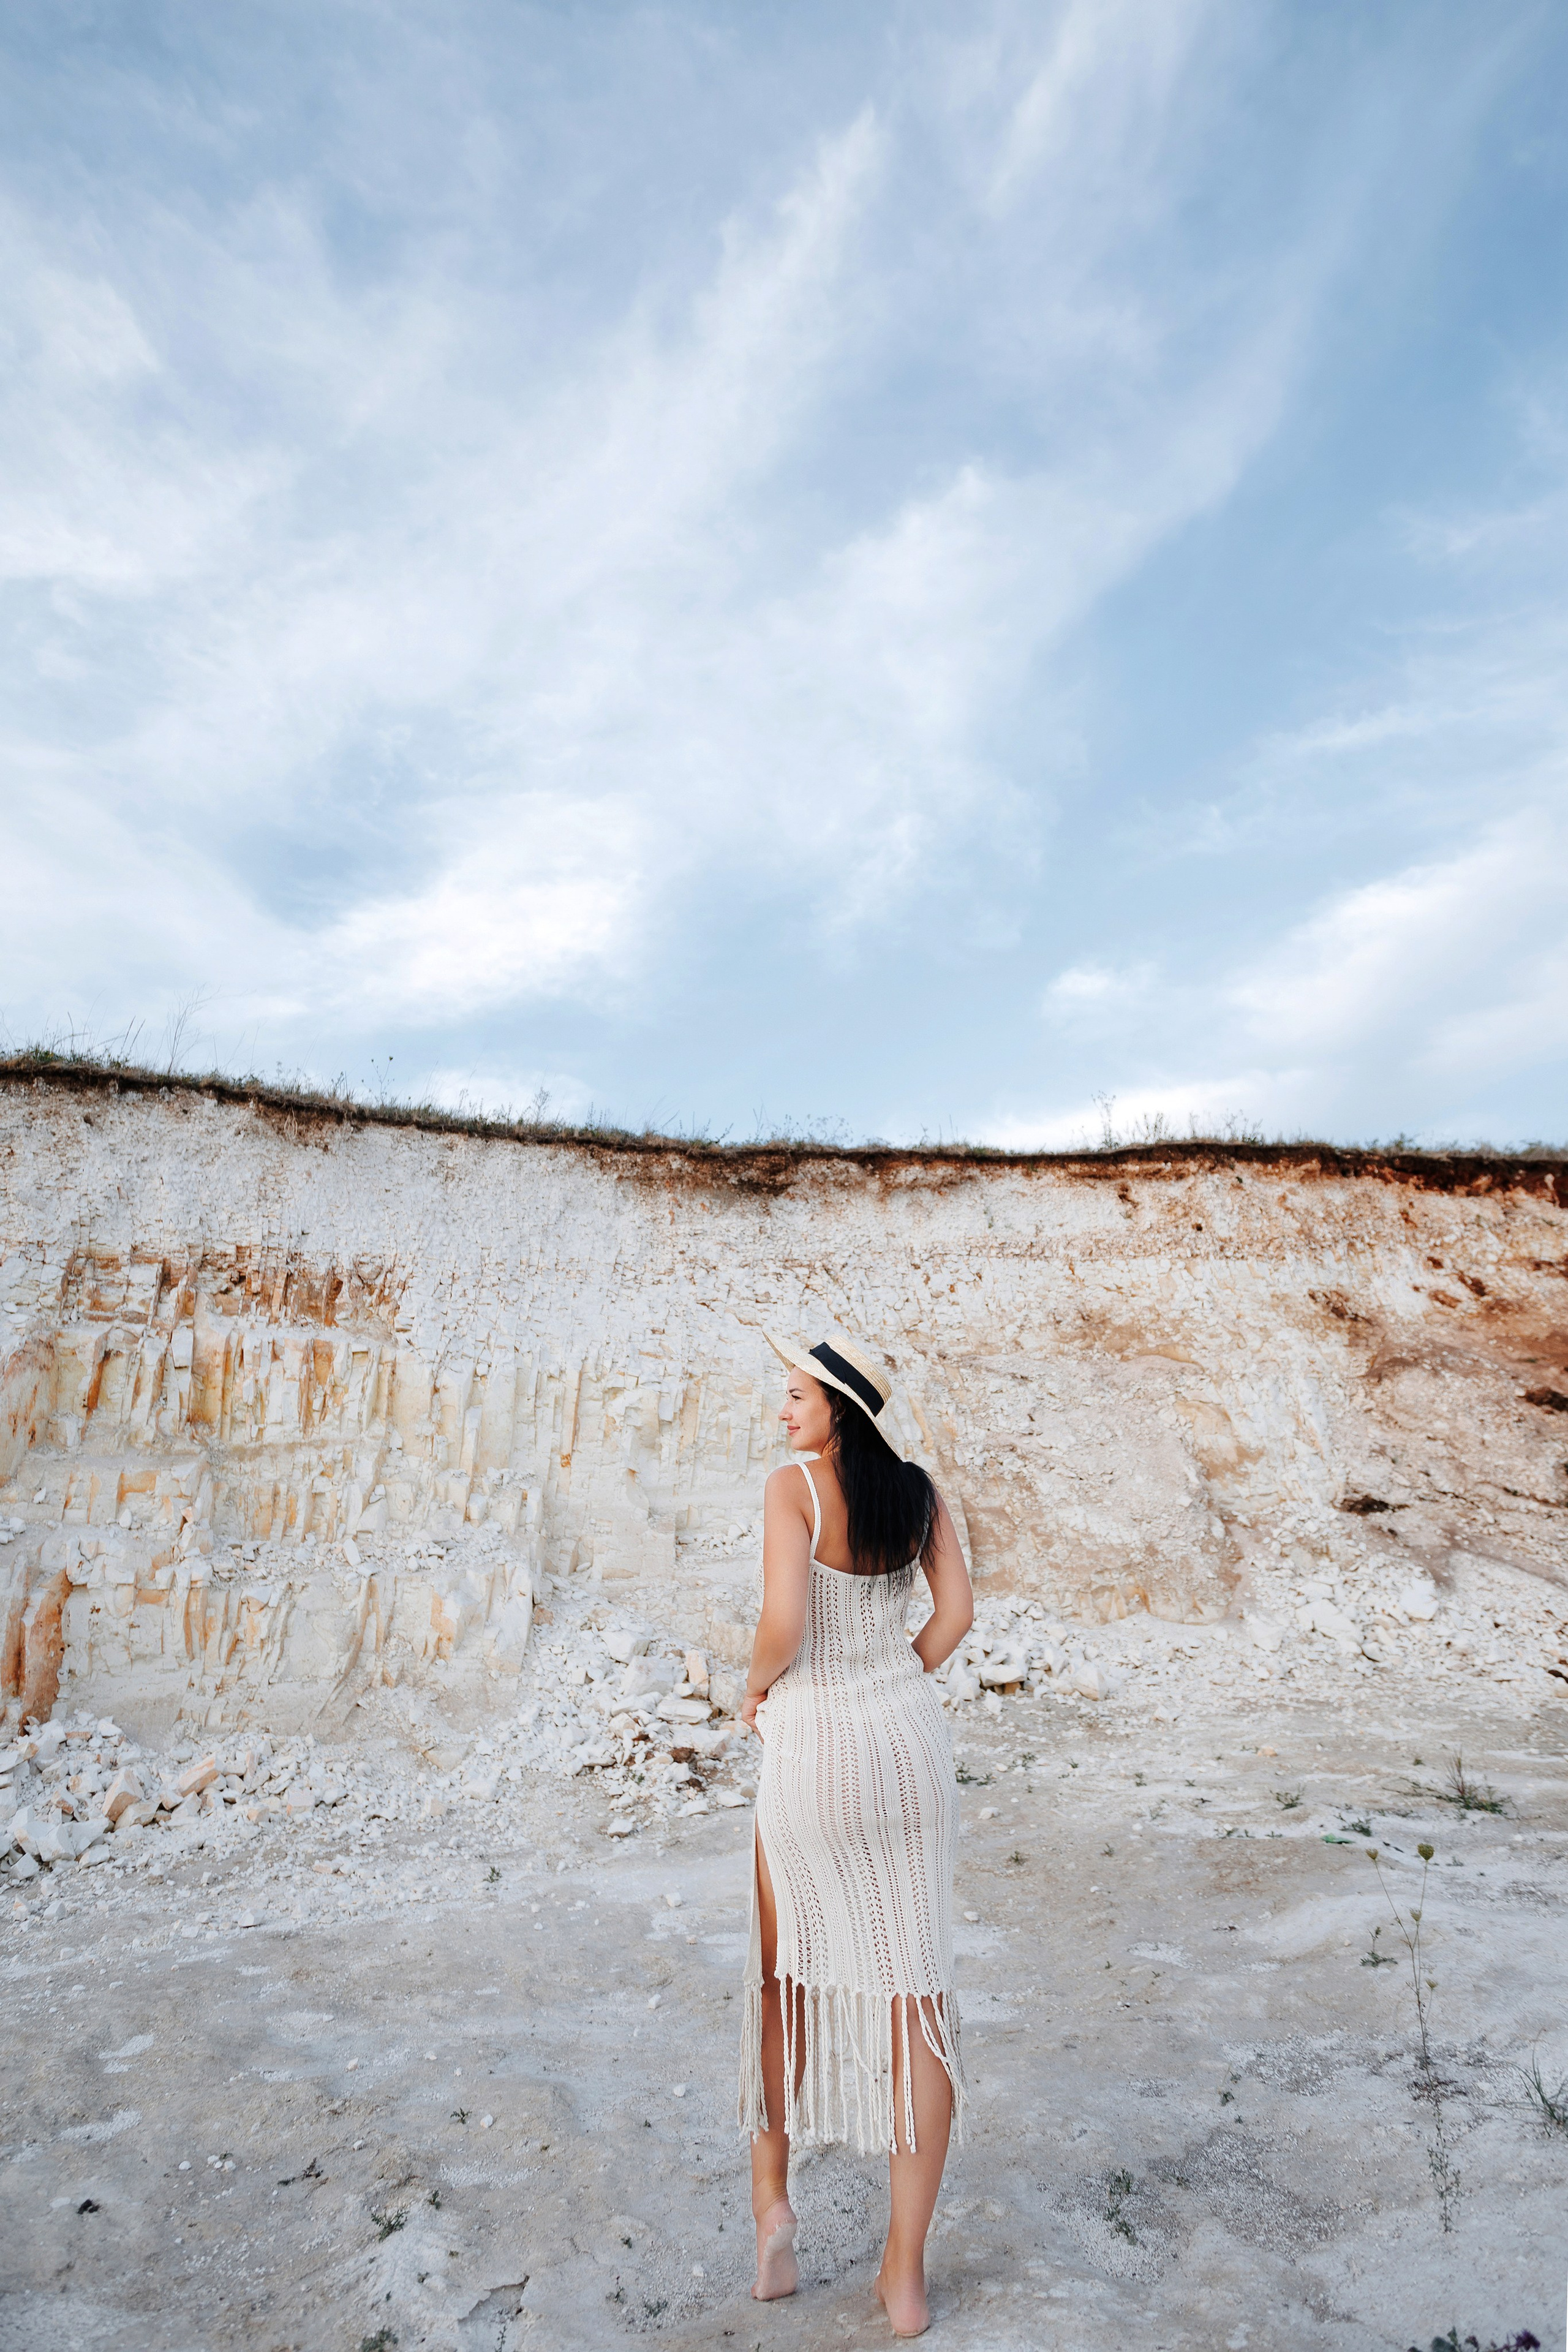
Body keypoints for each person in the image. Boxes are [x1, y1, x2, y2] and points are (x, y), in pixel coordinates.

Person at [737, 1329, 974, 2339]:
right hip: (910, 1747)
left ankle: (774, 2215)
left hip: (814, 1751)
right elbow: (955, 1615)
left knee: (779, 1977)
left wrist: (750, 1690)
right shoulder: (917, 1492)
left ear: (839, 1406)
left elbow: (786, 1626)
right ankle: (905, 2277)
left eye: (796, 1395)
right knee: (913, 1998)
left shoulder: (797, 1486)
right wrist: (893, 1683)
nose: (784, 1412)